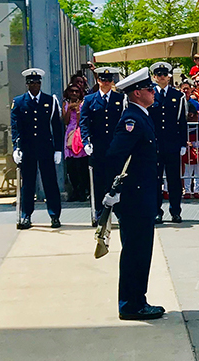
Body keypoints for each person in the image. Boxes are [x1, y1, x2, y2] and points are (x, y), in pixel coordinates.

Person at [100, 68, 164, 321]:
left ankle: (138, 299)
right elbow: (115, 156)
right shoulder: (132, 120)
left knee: (140, 250)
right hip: (135, 197)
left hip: (143, 195)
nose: (154, 92)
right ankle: (130, 304)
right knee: (135, 251)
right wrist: (114, 191)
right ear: (137, 93)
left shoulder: (142, 116)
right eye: (150, 89)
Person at [11, 68, 64, 230]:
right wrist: (16, 148)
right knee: (28, 183)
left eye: (37, 82)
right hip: (27, 148)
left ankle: (54, 215)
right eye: (31, 83)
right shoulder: (19, 101)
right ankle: (26, 215)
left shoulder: (50, 101)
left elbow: (57, 126)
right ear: (27, 85)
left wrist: (58, 149)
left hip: (46, 147)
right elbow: (15, 127)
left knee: (50, 182)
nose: (34, 85)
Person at [80, 66, 126, 225]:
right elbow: (84, 123)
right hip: (97, 147)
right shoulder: (89, 100)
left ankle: (120, 212)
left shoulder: (120, 99)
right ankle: (99, 213)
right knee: (99, 182)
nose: (106, 82)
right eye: (103, 79)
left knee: (116, 181)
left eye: (109, 80)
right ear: (98, 80)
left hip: (114, 147)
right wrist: (86, 141)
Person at [148, 62, 187, 224]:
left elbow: (181, 121)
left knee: (174, 180)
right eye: (158, 75)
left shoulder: (178, 96)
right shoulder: (149, 94)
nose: (161, 77)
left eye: (164, 74)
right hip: (155, 144)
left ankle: (176, 211)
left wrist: (183, 143)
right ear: (154, 77)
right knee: (155, 179)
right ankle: (157, 211)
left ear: (169, 77)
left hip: (172, 144)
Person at [61, 83, 89, 202]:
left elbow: (81, 121)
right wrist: (70, 110)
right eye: (71, 91)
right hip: (69, 134)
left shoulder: (83, 103)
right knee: (71, 167)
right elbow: (65, 121)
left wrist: (77, 111)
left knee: (81, 166)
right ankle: (75, 191)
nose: (74, 93)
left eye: (76, 91)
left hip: (79, 133)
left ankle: (82, 190)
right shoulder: (65, 104)